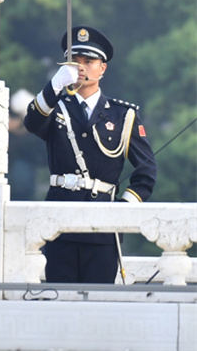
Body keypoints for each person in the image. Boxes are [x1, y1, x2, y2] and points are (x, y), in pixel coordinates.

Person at [24, 26, 157, 283]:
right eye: (74, 61)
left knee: (98, 301)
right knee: (59, 298)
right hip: (59, 222)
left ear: (102, 68)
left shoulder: (123, 115)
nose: (81, 67)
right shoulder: (55, 107)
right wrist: (54, 86)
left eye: (89, 61)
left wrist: (122, 210)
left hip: (102, 227)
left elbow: (146, 171)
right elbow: (31, 122)